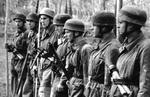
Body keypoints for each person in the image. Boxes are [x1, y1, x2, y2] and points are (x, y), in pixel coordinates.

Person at [109, 5, 150, 97]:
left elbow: (146, 85)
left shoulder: (145, 46)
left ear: (131, 26)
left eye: (120, 22)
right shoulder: (125, 44)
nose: (118, 26)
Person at [84, 12, 120, 97]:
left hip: (102, 92)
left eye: (94, 26)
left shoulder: (112, 48)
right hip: (93, 89)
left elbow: (110, 81)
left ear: (104, 28)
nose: (92, 29)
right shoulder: (101, 44)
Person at [62, 19, 93, 97]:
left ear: (76, 33)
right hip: (74, 85)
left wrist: (86, 90)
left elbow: (88, 74)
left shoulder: (85, 49)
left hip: (82, 87)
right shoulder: (73, 48)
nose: (65, 35)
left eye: (67, 32)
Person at [5, 13, 28, 97]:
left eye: (19, 21)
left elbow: (27, 48)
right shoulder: (16, 33)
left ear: (24, 22)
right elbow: (14, 44)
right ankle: (14, 95)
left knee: (21, 80)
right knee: (13, 79)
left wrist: (16, 48)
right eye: (16, 21)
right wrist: (9, 47)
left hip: (22, 60)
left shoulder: (27, 33)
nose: (17, 23)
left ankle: (19, 95)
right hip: (14, 59)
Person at [50, 14, 72, 97]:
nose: (56, 29)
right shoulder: (61, 41)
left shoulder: (69, 44)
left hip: (63, 78)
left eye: (58, 26)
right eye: (55, 26)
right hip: (57, 75)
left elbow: (68, 65)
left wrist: (62, 82)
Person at [38, 8, 58, 97]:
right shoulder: (43, 33)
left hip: (51, 66)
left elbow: (59, 52)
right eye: (41, 18)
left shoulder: (56, 34)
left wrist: (49, 54)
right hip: (42, 65)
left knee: (45, 92)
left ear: (51, 20)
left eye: (44, 18)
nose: (42, 21)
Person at [22, 12, 39, 97]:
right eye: (28, 21)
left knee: (36, 89)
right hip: (30, 63)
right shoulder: (30, 33)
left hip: (37, 64)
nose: (29, 23)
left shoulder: (39, 35)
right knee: (26, 89)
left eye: (31, 21)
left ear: (36, 22)